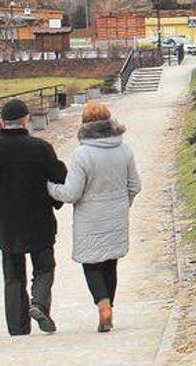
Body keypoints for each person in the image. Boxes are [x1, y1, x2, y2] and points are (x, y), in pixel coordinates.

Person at [0, 99, 67, 336]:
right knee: (44, 266)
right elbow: (58, 180)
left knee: (13, 274)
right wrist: (56, 202)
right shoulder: (41, 148)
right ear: (26, 120)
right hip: (39, 218)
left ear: (2, 122)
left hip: (6, 222)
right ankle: (40, 303)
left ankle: (18, 326)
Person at [47, 102, 141, 333]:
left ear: (85, 124)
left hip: (90, 217)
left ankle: (102, 304)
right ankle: (110, 306)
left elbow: (71, 193)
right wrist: (123, 202)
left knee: (92, 263)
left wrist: (50, 188)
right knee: (111, 262)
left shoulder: (82, 154)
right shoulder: (124, 149)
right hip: (116, 214)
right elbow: (135, 185)